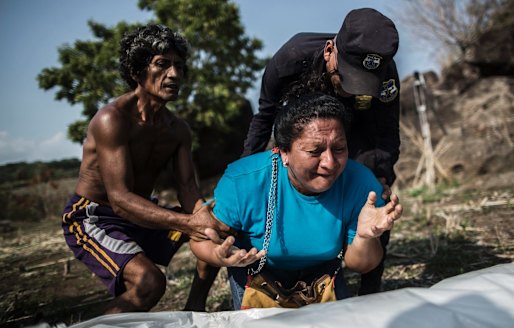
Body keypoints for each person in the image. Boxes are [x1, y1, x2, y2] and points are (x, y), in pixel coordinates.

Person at [61, 24, 230, 314]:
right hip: (95, 217)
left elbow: (188, 189)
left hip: (141, 214)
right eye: (162, 64)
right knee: (149, 283)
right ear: (138, 70)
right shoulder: (111, 120)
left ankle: (195, 309)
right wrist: (191, 223)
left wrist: (207, 220)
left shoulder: (178, 130)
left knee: (218, 222)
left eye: (178, 66)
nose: (174, 74)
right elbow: (120, 199)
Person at [190, 92, 403, 310]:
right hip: (256, 273)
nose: (330, 162)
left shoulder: (362, 186)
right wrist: (217, 255)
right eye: (314, 151)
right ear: (283, 153)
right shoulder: (243, 181)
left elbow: (362, 264)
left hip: (322, 275)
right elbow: (200, 240)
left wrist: (365, 236)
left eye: (339, 149)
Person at [243, 7, 401, 296]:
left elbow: (387, 134)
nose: (352, 91)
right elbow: (265, 115)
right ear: (330, 51)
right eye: (348, 78)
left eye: (362, 85)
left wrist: (381, 178)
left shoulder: (385, 73)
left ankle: (370, 288)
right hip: (305, 132)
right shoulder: (291, 59)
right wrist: (246, 168)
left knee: (373, 194)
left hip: (358, 133)